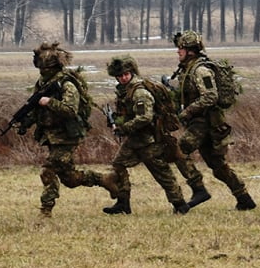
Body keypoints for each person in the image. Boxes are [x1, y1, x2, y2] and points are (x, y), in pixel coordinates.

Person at [22, 41, 124, 217]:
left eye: (44, 68)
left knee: (48, 170)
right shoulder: (43, 83)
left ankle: (45, 211)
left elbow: (70, 110)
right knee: (70, 178)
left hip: (67, 136)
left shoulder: (67, 84)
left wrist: (50, 102)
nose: (42, 71)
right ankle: (105, 180)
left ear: (52, 66)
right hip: (52, 136)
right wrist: (25, 121)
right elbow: (37, 107)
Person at [171, 30, 254, 210]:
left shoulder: (200, 70)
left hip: (204, 122)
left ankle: (198, 188)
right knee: (217, 165)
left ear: (190, 51)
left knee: (178, 150)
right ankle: (244, 198)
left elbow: (210, 96)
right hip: (204, 123)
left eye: (181, 49)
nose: (178, 52)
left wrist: (188, 111)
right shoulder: (188, 69)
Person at [103, 57, 190, 215]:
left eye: (126, 74)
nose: (123, 78)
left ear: (131, 73)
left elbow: (145, 118)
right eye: (120, 76)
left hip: (149, 140)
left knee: (162, 173)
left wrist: (123, 128)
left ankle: (180, 205)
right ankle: (123, 203)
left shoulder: (139, 92)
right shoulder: (125, 90)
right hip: (135, 139)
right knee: (118, 164)